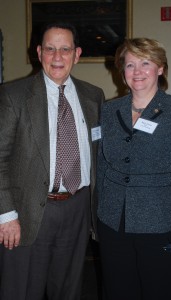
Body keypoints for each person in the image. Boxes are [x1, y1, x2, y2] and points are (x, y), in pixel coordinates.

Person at [0, 21, 105, 300]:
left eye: (65, 49)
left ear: (77, 53)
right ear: (39, 52)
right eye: (50, 49)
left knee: (68, 289)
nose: (57, 57)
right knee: (22, 291)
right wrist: (6, 215)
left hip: (78, 208)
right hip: (28, 212)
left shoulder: (94, 96)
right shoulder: (14, 96)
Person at [97, 37, 171, 300]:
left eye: (146, 63)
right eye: (130, 65)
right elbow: (102, 166)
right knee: (119, 292)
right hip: (113, 225)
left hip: (162, 225)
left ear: (161, 68)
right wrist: (98, 214)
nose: (138, 71)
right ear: (122, 72)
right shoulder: (109, 111)